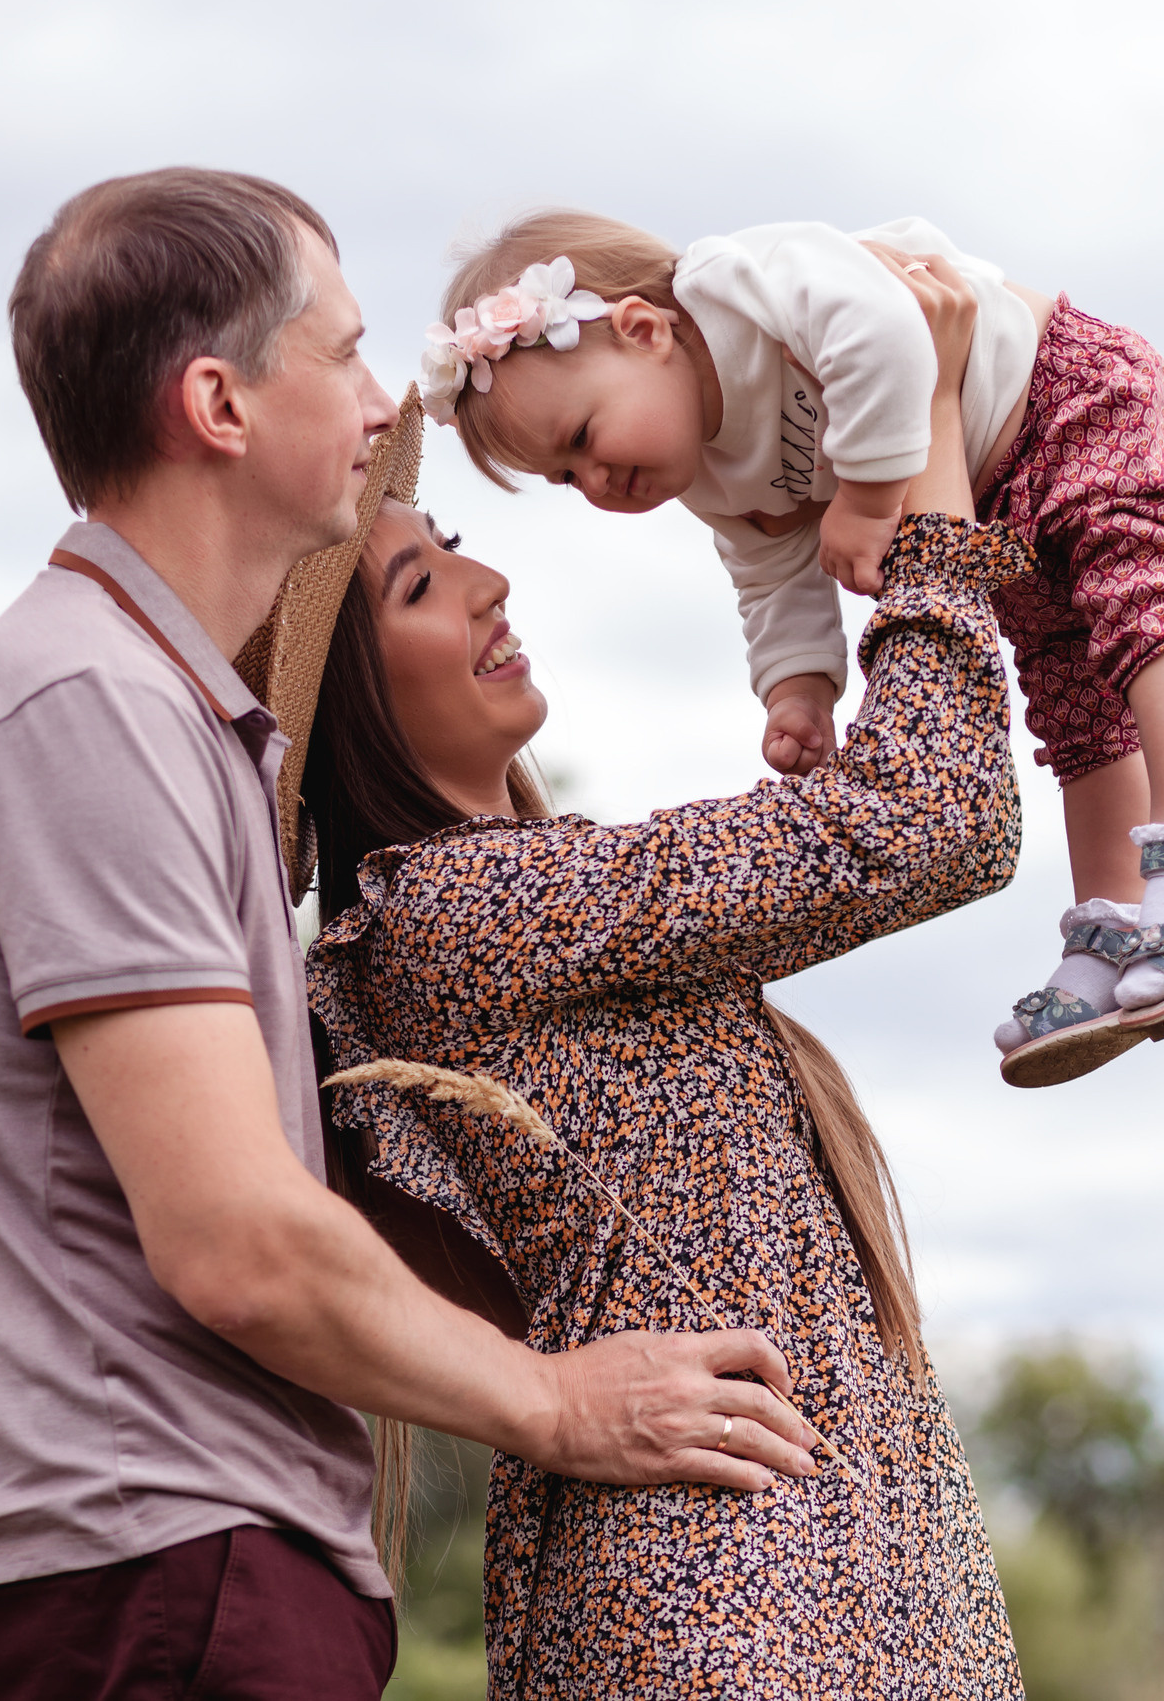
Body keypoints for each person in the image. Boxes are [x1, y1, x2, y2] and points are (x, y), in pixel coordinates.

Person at [0, 167, 816, 1701]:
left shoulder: (161, 717)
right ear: (219, 406)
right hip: (156, 1567)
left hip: (190, 1565)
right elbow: (237, 1239)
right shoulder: (89, 706)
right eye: (348, 352)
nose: (385, 402)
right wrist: (561, 1405)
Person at [293, 256, 1020, 1698]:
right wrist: (925, 457)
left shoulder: (532, 893)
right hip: (719, 1592)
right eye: (427, 581)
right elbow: (933, 821)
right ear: (357, 701)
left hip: (824, 1566)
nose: (493, 577)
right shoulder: (451, 908)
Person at [416, 210, 1164, 1089]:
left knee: (1144, 612)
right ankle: (1113, 922)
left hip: (1066, 400)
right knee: (1074, 708)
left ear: (645, 331)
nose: (595, 483)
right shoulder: (714, 474)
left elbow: (891, 331)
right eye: (565, 479)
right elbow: (768, 571)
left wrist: (873, 498)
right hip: (991, 492)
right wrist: (797, 689)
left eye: (581, 439)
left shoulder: (746, 284)